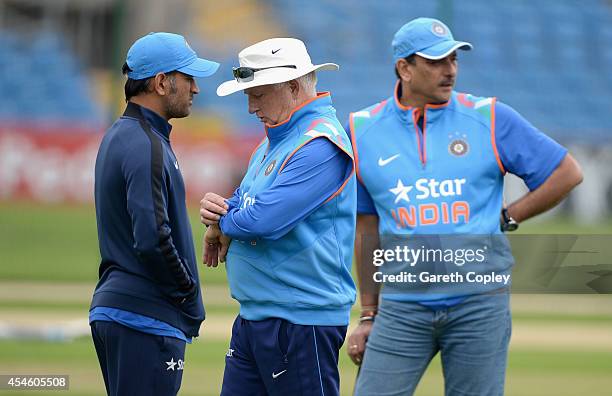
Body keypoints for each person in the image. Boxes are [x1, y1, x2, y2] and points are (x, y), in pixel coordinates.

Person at [346, 18, 583, 396]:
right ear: (404, 68)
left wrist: (509, 216)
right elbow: (367, 229)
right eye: (436, 62)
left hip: (479, 305)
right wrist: (369, 313)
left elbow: (566, 173)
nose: (450, 70)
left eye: (454, 60)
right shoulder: (361, 129)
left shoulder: (489, 117)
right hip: (401, 307)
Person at [199, 37, 357, 396]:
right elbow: (242, 202)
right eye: (248, 95)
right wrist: (222, 214)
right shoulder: (275, 140)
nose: (251, 107)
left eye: (258, 94)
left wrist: (222, 224)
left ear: (292, 86)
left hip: (301, 321)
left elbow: (262, 220)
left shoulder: (319, 144)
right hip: (260, 316)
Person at [89, 32, 219, 396]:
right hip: (145, 319)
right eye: (189, 77)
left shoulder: (123, 134)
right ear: (162, 82)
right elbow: (152, 238)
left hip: (125, 312)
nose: (196, 89)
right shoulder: (146, 144)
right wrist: (187, 292)